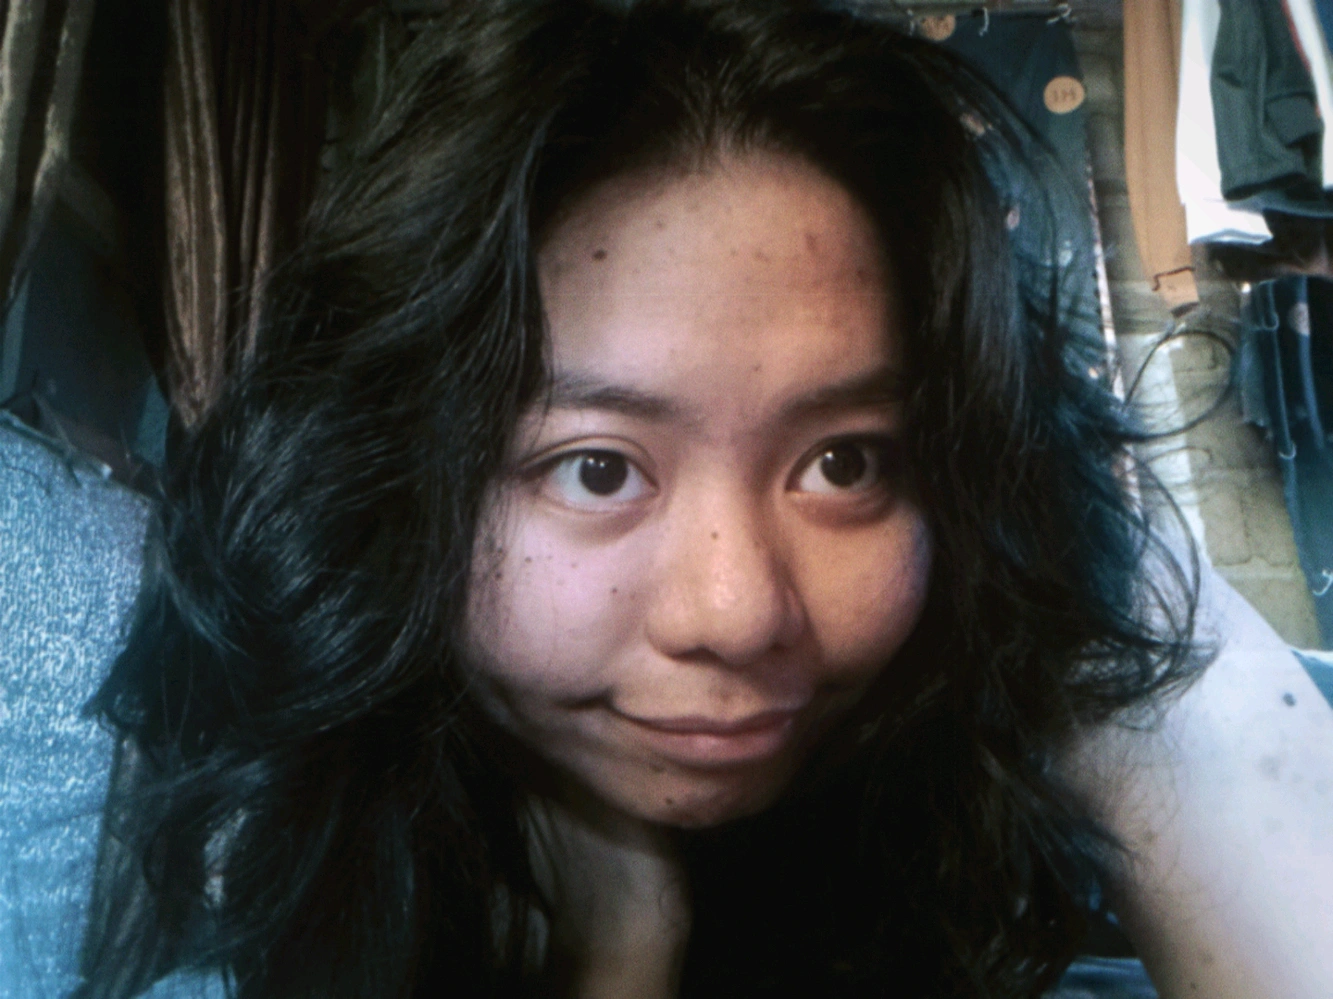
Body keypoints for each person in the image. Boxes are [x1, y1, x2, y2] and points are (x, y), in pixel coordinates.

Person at [16, 1, 1325, 997]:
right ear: (399, 475)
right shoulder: (194, 825)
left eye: (846, 463)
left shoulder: (960, 710)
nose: (738, 613)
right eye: (597, 468)